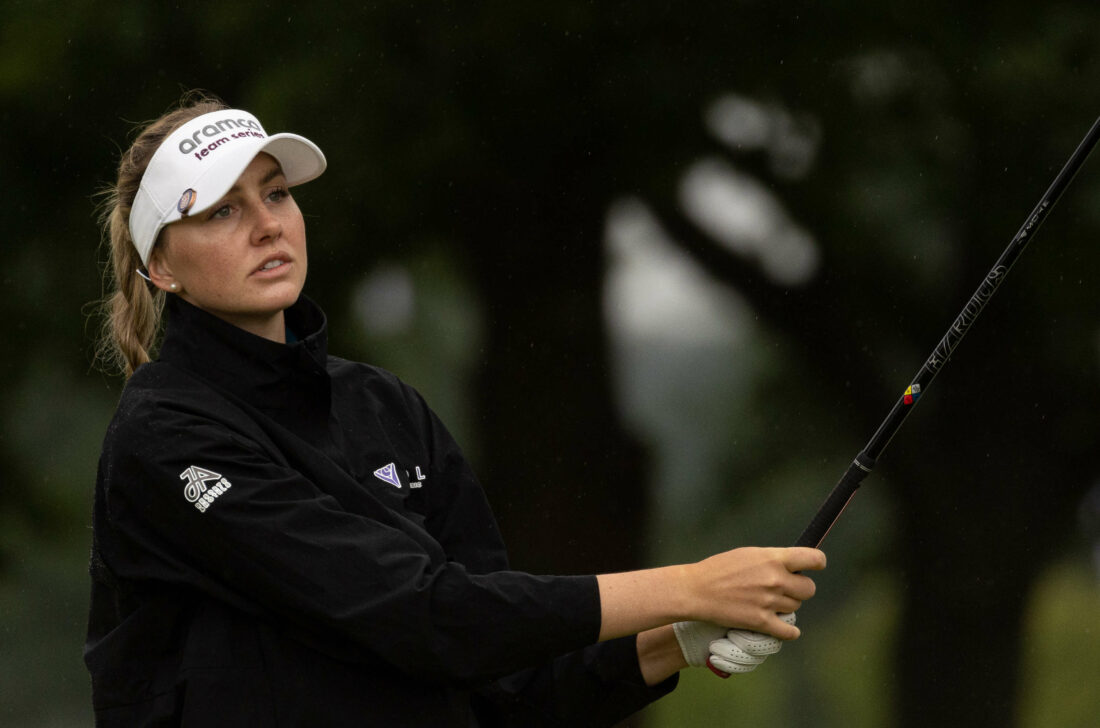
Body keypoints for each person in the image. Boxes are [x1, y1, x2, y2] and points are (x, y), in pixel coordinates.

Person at [85, 92, 826, 727]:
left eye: (276, 193)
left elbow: (500, 683)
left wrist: (675, 639)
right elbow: (419, 613)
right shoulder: (167, 437)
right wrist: (688, 586)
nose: (267, 225)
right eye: (220, 212)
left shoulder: (383, 407)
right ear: (161, 268)